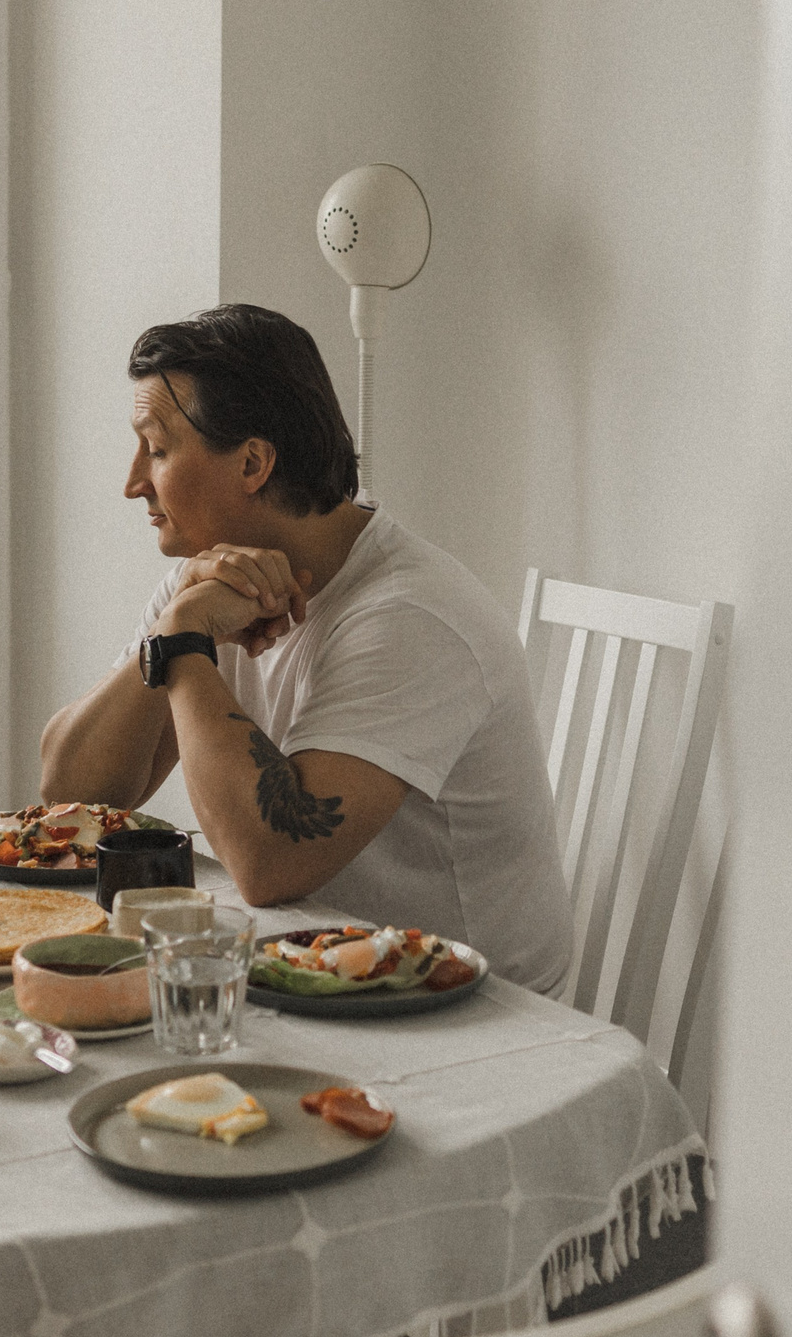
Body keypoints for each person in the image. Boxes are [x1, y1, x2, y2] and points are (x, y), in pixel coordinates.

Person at [38, 303, 571, 992]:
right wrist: (175, 630)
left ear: (253, 462)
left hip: (475, 1013)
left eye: (158, 449)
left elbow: (269, 864)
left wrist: (184, 641)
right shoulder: (209, 577)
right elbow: (69, 794)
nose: (133, 481)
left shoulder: (409, 616)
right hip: (316, 972)